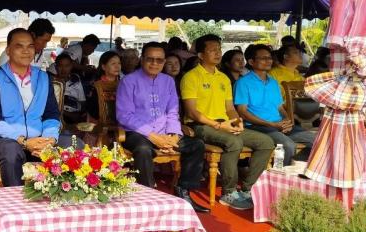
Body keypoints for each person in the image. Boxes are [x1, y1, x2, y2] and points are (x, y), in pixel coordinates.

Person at [180, 34, 274, 210]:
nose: (218, 53)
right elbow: (192, 112)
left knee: (266, 142)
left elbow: (230, 108)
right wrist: (218, 125)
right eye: (212, 50)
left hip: (225, 124)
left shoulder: (223, 78)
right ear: (200, 55)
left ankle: (248, 189)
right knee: (234, 142)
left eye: (219, 49)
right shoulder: (191, 77)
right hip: (200, 125)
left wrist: (237, 121)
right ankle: (228, 192)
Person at [116, 43, 207, 212]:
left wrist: (173, 135)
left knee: (196, 145)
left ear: (164, 62)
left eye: (159, 60)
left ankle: (184, 191)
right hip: (137, 133)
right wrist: (152, 136)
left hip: (164, 133)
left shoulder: (168, 81)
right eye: (150, 59)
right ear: (142, 60)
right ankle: (148, 195)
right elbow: (124, 115)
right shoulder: (128, 81)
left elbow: (172, 112)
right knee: (143, 149)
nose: (154, 63)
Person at [0, 28, 77, 187]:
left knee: (74, 144)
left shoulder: (43, 77)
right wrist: (25, 141)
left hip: (40, 138)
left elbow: (51, 114)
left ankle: (64, 198)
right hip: (5, 140)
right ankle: (14, 201)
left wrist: (49, 139)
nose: (26, 51)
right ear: (8, 50)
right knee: (11, 151)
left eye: (30, 46)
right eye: (19, 46)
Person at [234, 44, 316, 166]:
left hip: (278, 124)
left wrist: (287, 120)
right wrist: (271, 124)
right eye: (263, 58)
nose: (268, 61)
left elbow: (280, 107)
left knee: (316, 141)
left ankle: (297, 170)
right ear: (251, 62)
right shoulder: (243, 82)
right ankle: (279, 172)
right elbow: (243, 112)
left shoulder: (273, 82)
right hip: (258, 126)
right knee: (287, 145)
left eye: (269, 58)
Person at [53, 53, 86, 124]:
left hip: (76, 114)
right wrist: (70, 115)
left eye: (67, 66)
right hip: (60, 115)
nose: (63, 69)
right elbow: (51, 106)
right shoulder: (52, 83)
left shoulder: (76, 80)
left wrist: (81, 115)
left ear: (71, 66)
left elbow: (82, 101)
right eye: (60, 66)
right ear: (56, 67)